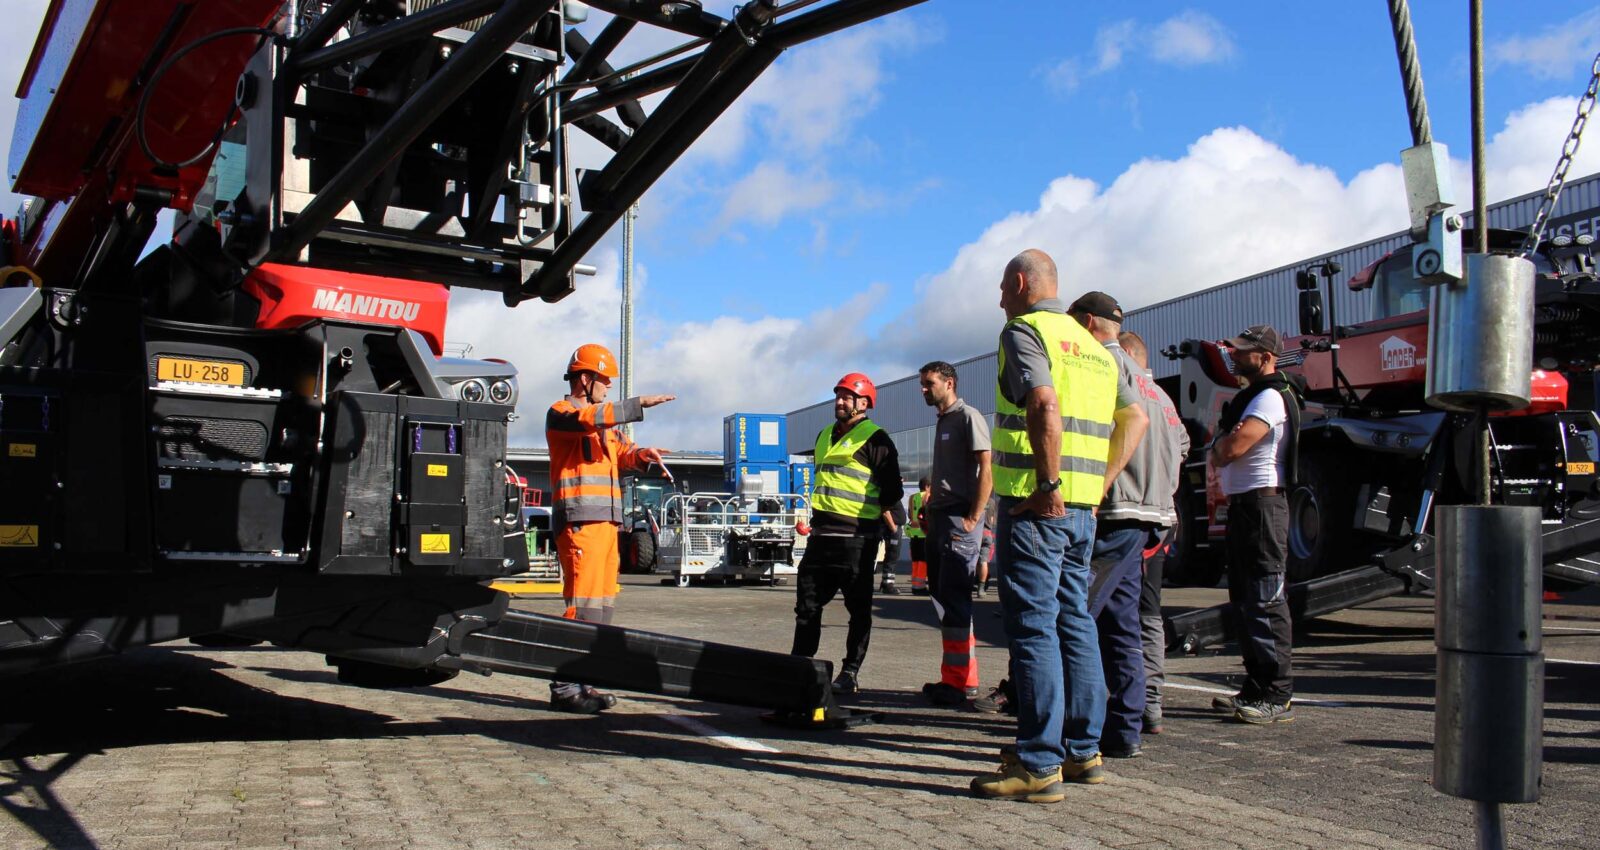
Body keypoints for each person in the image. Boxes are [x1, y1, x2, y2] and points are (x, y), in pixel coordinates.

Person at [970, 249, 1144, 804]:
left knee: (1034, 627)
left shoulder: (1025, 332)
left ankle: (1038, 762)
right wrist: (1095, 483)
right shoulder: (1095, 347)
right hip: (1084, 512)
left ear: (1020, 283)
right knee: (1076, 621)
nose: (999, 298)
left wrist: (1049, 488)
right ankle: (1083, 752)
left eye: (1002, 287)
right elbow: (1134, 416)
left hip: (1037, 508)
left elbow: (1042, 402)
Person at [545, 343, 674, 713]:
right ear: (585, 379)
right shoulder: (562, 413)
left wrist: (644, 457)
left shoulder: (604, 425)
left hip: (606, 527)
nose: (607, 388)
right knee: (582, 606)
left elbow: (622, 454)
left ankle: (586, 679)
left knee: (601, 608)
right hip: (580, 524)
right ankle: (565, 686)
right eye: (604, 380)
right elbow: (587, 419)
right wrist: (636, 405)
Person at [1067, 292, 1154, 760]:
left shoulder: (1098, 368)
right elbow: (1179, 443)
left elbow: (1110, 429)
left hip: (1112, 511)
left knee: (1076, 617)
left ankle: (1075, 732)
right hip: (1146, 513)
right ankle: (1126, 729)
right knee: (1123, 625)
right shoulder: (1149, 380)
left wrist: (1099, 486)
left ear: (1085, 323)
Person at [1208, 324, 1303, 724]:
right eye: (1232, 348)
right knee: (1246, 600)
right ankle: (1256, 685)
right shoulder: (1252, 398)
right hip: (1248, 507)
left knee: (1266, 598)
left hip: (1263, 507)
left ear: (1266, 357)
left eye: (1243, 351)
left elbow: (1229, 449)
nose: (1233, 355)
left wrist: (1219, 443)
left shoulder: (1269, 398)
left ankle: (1277, 694)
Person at [791, 373, 905, 695]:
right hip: (821, 537)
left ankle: (850, 671)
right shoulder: (824, 435)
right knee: (807, 607)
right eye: (837, 396)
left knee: (858, 610)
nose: (840, 402)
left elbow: (892, 490)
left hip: (857, 540)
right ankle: (801, 663)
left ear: (865, 403)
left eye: (847, 396)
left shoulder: (876, 439)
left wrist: (873, 524)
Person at [1114, 329, 1190, 739]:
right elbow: (1184, 445)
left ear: (1125, 355)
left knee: (1120, 614)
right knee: (1148, 612)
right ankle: (1152, 702)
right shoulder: (1164, 397)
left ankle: (1129, 704)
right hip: (1162, 517)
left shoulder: (1127, 389)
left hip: (1127, 512)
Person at [916, 361, 992, 707]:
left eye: (929, 383)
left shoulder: (968, 417)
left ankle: (960, 684)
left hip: (960, 520)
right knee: (944, 598)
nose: (924, 389)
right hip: (942, 518)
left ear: (950, 383)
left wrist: (974, 518)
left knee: (957, 601)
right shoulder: (944, 421)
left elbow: (985, 467)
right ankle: (956, 679)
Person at [907, 477, 931, 593]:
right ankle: (920, 587)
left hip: (913, 535)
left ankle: (915, 586)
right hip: (924, 534)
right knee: (923, 561)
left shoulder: (912, 498)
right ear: (927, 486)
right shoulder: (928, 496)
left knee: (915, 561)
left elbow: (910, 516)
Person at [878, 498, 907, 595]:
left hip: (894, 529)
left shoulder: (894, 494)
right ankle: (888, 585)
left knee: (892, 555)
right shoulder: (889, 494)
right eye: (902, 481)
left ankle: (885, 582)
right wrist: (894, 529)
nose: (903, 481)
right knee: (892, 556)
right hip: (892, 529)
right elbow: (886, 512)